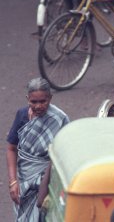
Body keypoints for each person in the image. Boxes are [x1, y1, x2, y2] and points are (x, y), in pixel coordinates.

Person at [6, 78, 70, 222]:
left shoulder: (59, 119)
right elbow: (11, 149)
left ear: (50, 98)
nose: (38, 106)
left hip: (49, 181)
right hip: (25, 182)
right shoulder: (22, 115)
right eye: (34, 102)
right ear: (27, 99)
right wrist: (13, 182)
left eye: (43, 101)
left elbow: (66, 151)